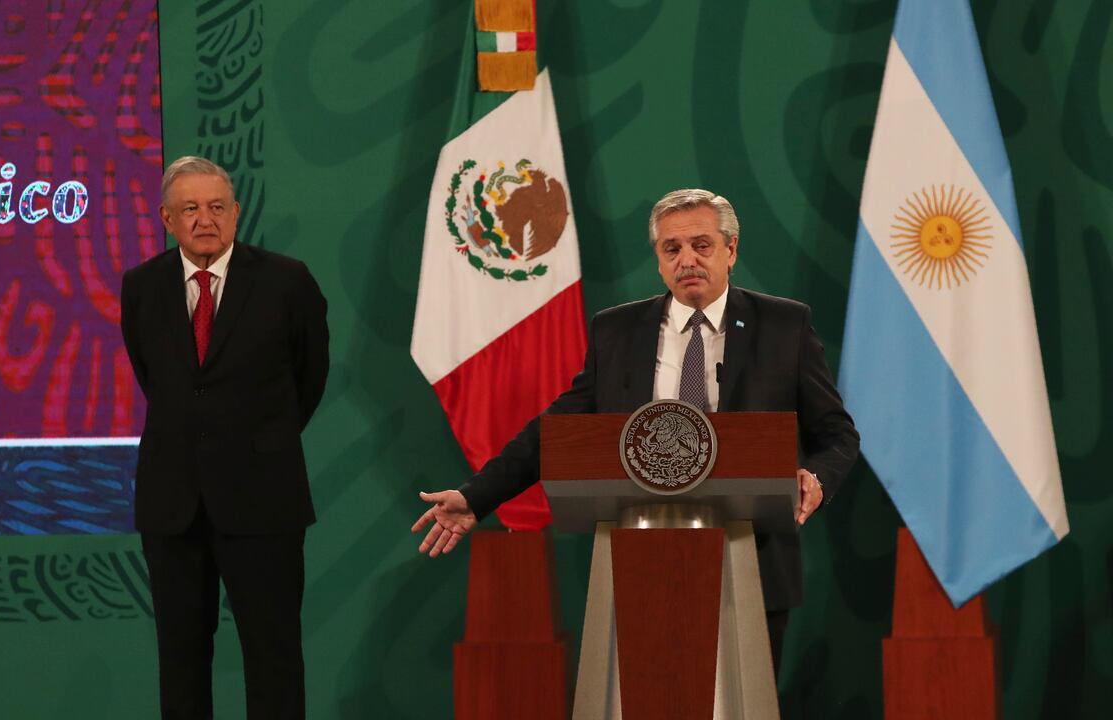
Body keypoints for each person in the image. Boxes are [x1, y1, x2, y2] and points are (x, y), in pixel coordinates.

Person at [411, 188, 859, 667]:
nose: (687, 259)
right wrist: (476, 496)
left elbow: (835, 433)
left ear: (731, 250)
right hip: (642, 561)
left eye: (701, 245)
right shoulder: (617, 331)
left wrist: (815, 477)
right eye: (672, 248)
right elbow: (558, 430)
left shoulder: (783, 325)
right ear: (659, 260)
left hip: (754, 558)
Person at [121, 155, 329, 719]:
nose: (205, 219)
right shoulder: (141, 287)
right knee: (181, 660)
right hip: (173, 507)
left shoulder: (287, 282)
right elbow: (156, 378)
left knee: (273, 658)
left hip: (264, 501)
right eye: (190, 208)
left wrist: (260, 443)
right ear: (167, 219)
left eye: (216, 207)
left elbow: (308, 380)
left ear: (237, 213)